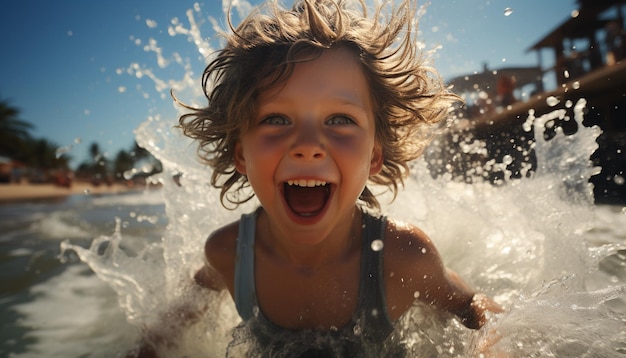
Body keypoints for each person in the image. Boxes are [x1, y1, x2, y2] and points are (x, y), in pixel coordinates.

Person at [132, 0, 503, 356]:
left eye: (340, 119)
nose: (308, 146)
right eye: (276, 119)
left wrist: (490, 350)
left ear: (374, 155)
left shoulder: (402, 255)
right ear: (241, 154)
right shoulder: (229, 253)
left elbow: (473, 306)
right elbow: (176, 320)